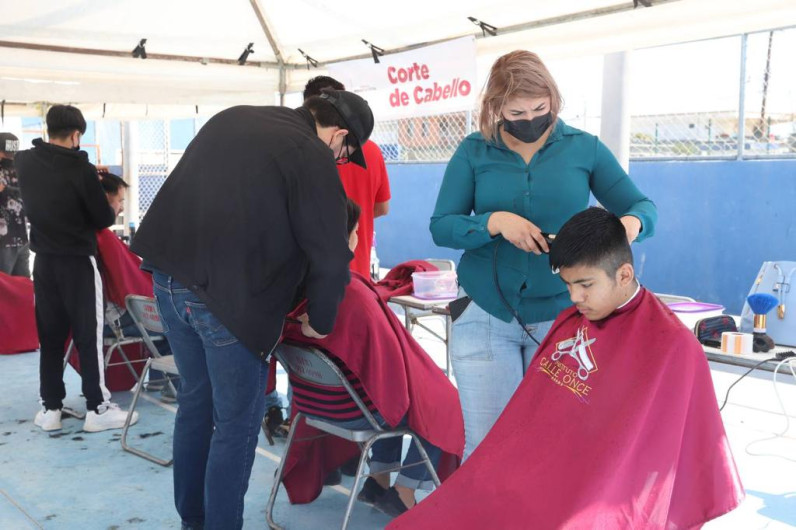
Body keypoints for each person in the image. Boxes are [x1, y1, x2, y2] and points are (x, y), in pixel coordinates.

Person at [390, 207, 743, 529]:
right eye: (569, 285)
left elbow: (676, 461)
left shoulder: (673, 347)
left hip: (600, 495)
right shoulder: (571, 321)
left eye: (585, 285)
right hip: (534, 477)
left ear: (624, 274)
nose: (574, 298)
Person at [129, 90, 374, 530]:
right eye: (343, 156)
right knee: (236, 425)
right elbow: (331, 255)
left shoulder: (234, 116)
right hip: (228, 301)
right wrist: (320, 319)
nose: (337, 161)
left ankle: (194, 521)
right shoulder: (311, 153)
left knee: (196, 404)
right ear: (339, 136)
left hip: (167, 281)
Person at [430, 50, 658, 459]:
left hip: (563, 322)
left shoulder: (583, 148)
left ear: (554, 99)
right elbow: (442, 226)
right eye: (517, 111)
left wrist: (625, 228)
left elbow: (643, 208)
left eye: (541, 107)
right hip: (486, 314)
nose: (531, 118)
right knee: (487, 450)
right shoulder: (473, 151)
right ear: (495, 107)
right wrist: (494, 222)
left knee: (556, 448)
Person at [280, 198, 463, 518]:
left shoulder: (289, 287)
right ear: (347, 237)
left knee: (389, 392)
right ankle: (404, 491)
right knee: (442, 402)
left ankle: (377, 480)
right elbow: (393, 376)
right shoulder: (353, 294)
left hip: (314, 405)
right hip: (352, 411)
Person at [15, 104, 138, 432]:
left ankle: (51, 408)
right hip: (77, 263)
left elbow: (50, 182)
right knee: (88, 334)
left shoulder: (23, 161)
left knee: (50, 335)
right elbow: (102, 218)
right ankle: (98, 408)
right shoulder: (80, 168)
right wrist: (96, 190)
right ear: (76, 135)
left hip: (43, 264)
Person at [96, 172, 174, 400]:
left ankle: (158, 380)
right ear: (105, 199)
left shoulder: (90, 237)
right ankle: (174, 385)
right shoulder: (105, 239)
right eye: (119, 200)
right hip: (117, 323)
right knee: (178, 325)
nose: (121, 207)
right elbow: (130, 290)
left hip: (103, 319)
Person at [304, 76, 391, 279]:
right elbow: (381, 207)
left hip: (313, 276)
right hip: (357, 271)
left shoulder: (306, 152)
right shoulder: (372, 151)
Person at [0, 132, 30, 277]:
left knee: (15, 287)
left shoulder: (19, 169)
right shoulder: (21, 169)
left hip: (13, 238)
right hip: (13, 238)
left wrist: (6, 190)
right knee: (15, 287)